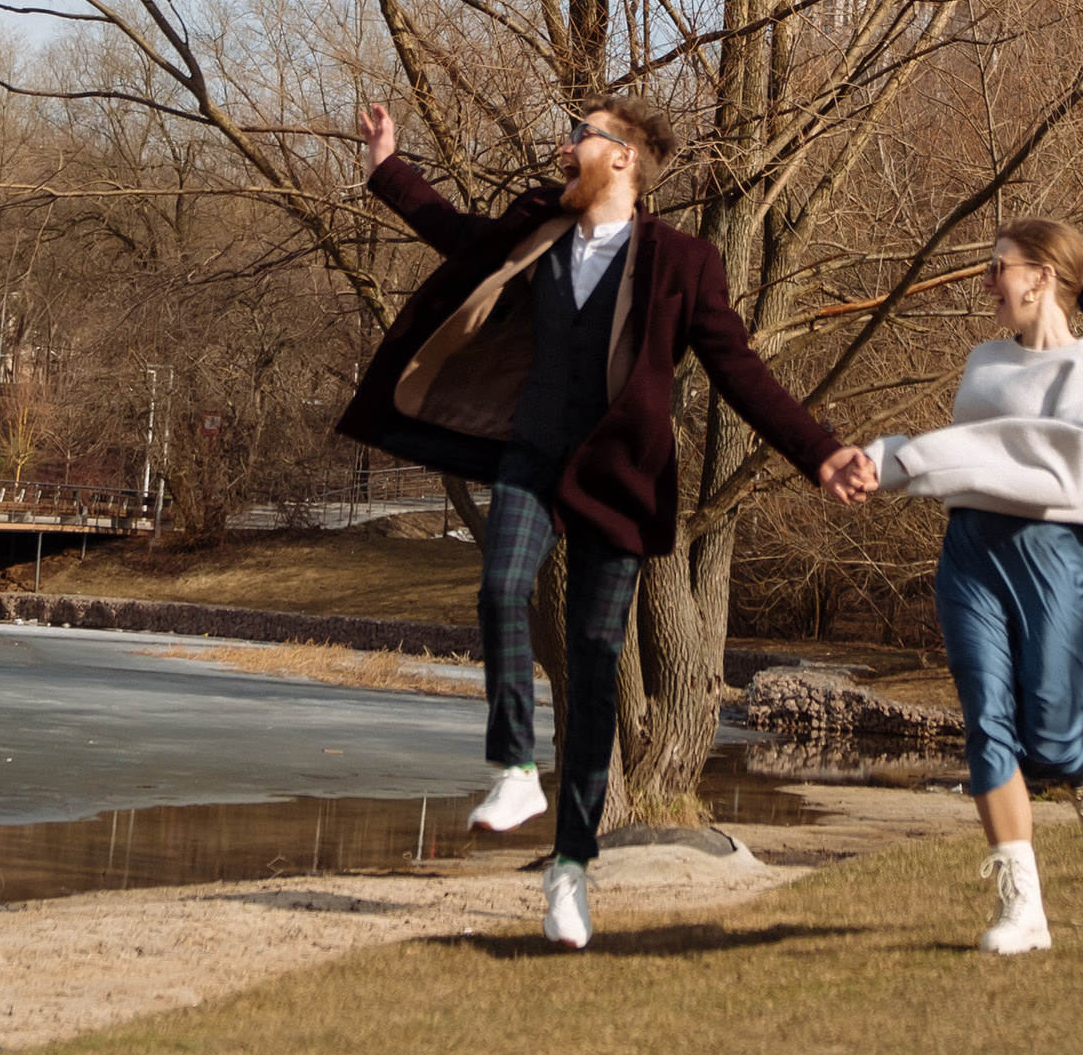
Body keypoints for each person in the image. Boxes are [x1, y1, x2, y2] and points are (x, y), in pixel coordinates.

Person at [338, 98, 869, 949]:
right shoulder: (541, 231)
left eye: (580, 134)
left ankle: (570, 871)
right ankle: (515, 767)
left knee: (592, 667)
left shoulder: (684, 263)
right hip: (534, 457)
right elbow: (454, 233)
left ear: (622, 158)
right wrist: (387, 167)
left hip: (621, 482)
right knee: (502, 586)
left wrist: (821, 452)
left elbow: (742, 372)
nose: (564, 145)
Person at [848, 219, 1083, 957]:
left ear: (1040, 276)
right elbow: (977, 459)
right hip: (973, 554)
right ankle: (1023, 907)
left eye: (997, 269)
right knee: (986, 721)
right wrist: (885, 460)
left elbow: (1063, 476)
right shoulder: (983, 364)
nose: (986, 284)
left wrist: (936, 460)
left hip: (1057, 556)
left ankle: (1081, 773)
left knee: (1047, 731)